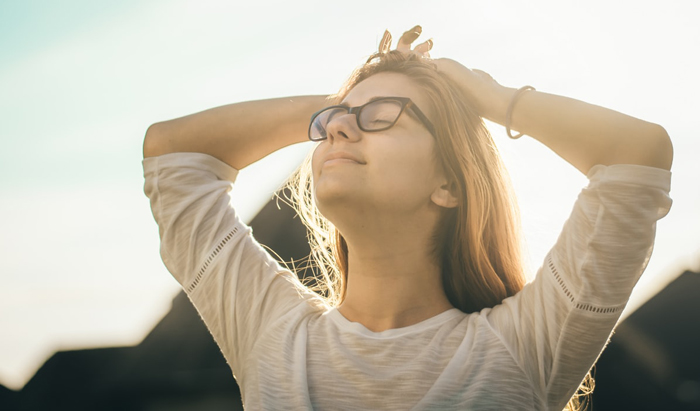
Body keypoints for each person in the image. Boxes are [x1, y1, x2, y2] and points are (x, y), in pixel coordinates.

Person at [142, 26, 673, 410]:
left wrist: (492, 99)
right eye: (333, 123)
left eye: (380, 118)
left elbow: (636, 154)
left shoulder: (523, 347)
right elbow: (172, 152)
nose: (340, 131)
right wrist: (348, 96)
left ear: (449, 183)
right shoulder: (270, 333)